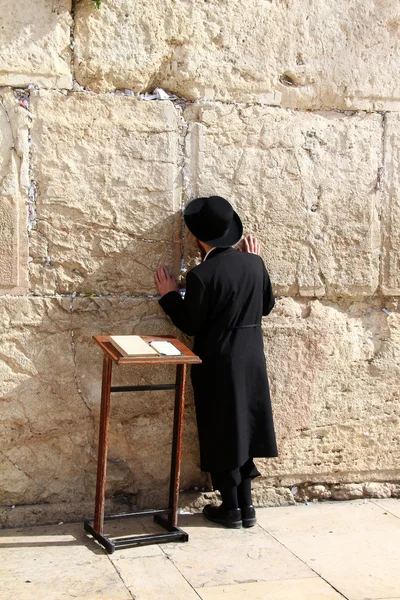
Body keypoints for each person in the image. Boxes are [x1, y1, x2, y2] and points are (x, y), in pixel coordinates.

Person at [154, 195, 277, 529]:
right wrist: (257, 266)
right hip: (252, 359)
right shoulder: (255, 263)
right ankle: (245, 507)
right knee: (245, 429)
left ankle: (232, 508)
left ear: (198, 239)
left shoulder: (201, 275)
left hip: (219, 361)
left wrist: (168, 297)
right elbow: (266, 306)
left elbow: (191, 324)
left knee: (222, 430)